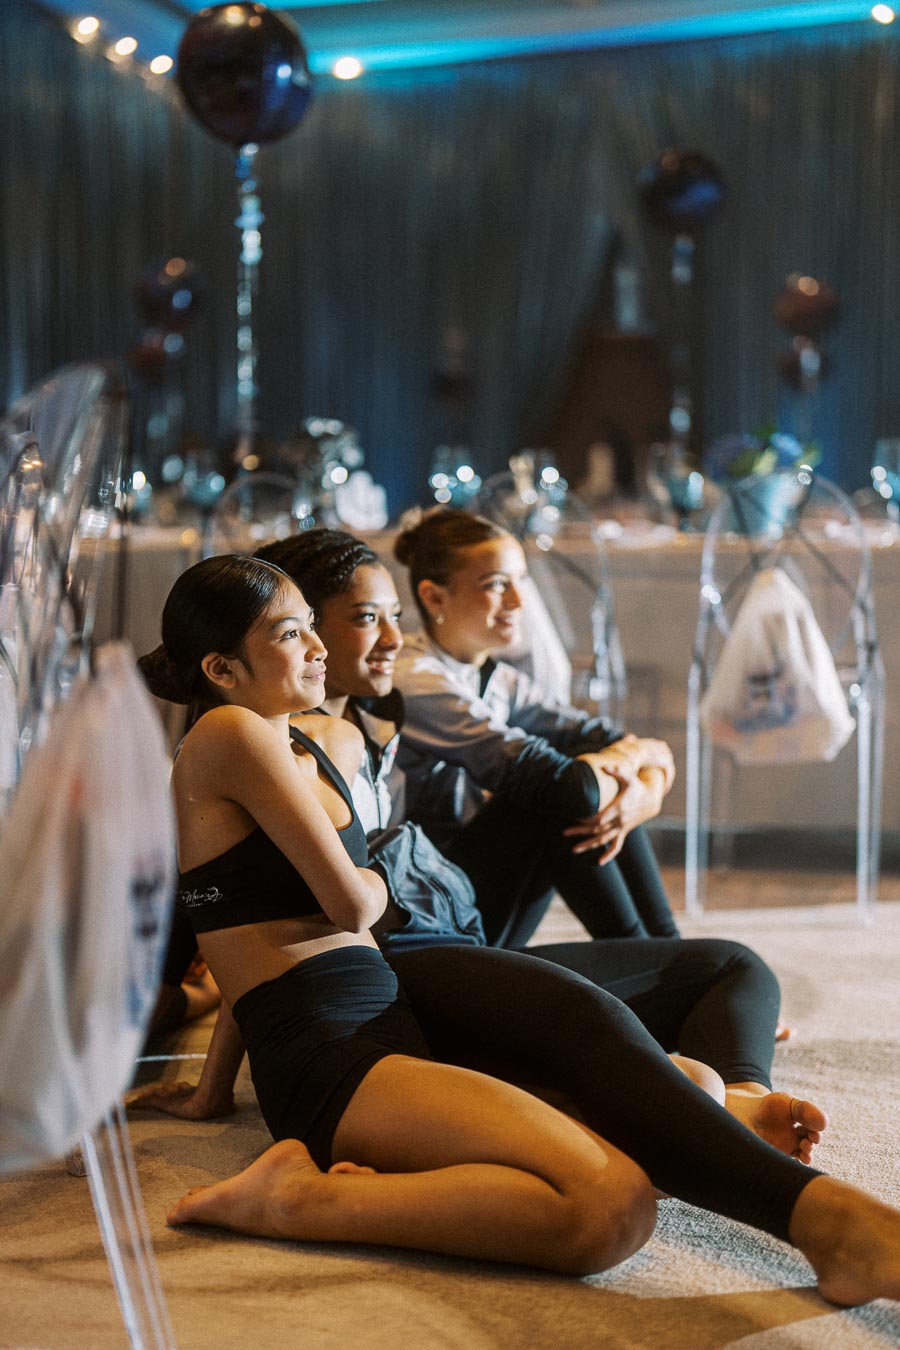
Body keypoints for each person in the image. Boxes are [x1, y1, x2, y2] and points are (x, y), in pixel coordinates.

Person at [134, 553, 900, 1307]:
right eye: (291, 634)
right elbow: (351, 909)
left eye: (311, 627)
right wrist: (385, 871)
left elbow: (247, 934)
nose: (318, 647)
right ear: (222, 670)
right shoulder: (231, 735)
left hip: (385, 1023)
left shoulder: (290, 742)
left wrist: (210, 1093)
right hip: (332, 1053)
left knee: (689, 1086)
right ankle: (297, 1200)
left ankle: (815, 1206)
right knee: (610, 1211)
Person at [254, 528, 796, 1139]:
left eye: (393, 619)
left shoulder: (372, 711)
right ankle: (717, 1097)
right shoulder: (379, 699)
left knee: (735, 969)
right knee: (556, 816)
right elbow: (564, 790)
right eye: (496, 584)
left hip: (452, 922)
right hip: (418, 954)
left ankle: (740, 1091)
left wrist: (641, 778)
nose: (391, 640)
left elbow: (596, 742)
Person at [389, 506, 682, 948]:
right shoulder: (415, 679)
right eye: (495, 585)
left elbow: (618, 742)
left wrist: (644, 792)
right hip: (427, 910)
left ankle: (676, 960)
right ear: (433, 597)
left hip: (473, 891)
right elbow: (569, 788)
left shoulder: (498, 678)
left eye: (520, 580)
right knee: (554, 795)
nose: (519, 602)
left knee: (585, 783)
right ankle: (664, 970)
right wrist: (633, 766)